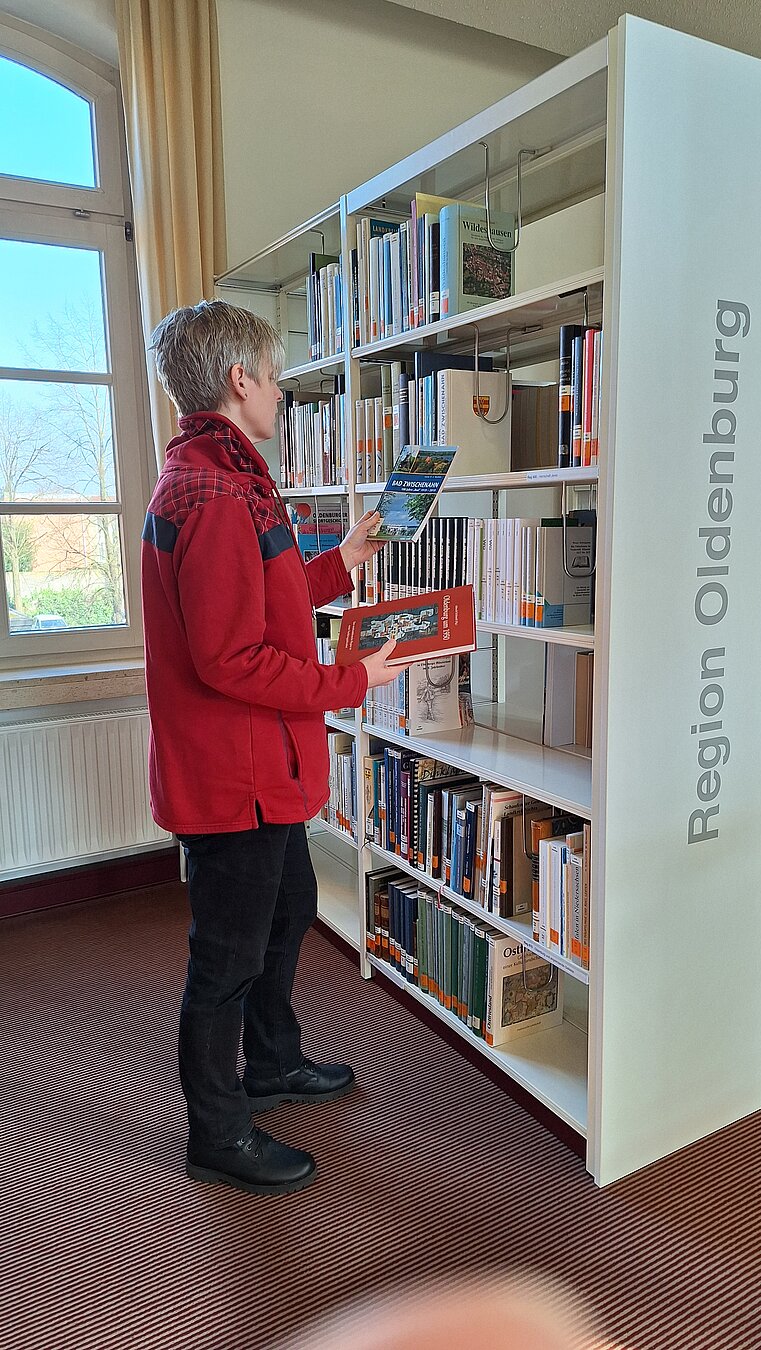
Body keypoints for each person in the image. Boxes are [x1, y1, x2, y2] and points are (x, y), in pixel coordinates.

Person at [141, 299, 405, 1196]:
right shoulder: (214, 491)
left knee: (289, 909)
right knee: (225, 958)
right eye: (278, 376)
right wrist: (350, 683)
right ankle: (217, 1134)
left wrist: (343, 561)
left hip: (262, 771)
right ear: (239, 381)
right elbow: (231, 657)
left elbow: (268, 594)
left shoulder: (227, 477)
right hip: (234, 775)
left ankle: (275, 1063)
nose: (285, 394)